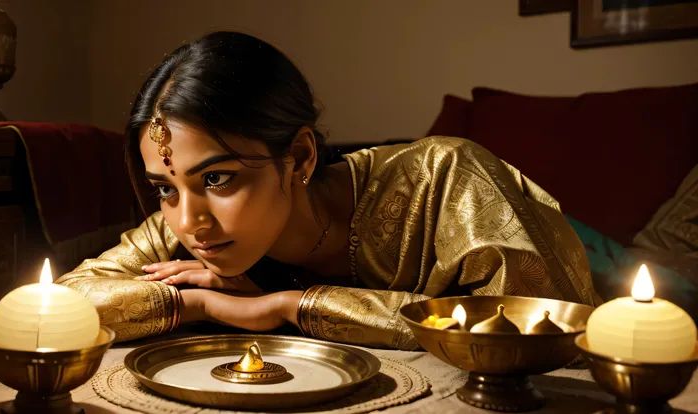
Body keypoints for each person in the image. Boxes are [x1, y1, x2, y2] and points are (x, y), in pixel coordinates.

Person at [57, 31, 601, 350]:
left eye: (217, 179)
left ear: (298, 157)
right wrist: (201, 302)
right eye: (165, 189)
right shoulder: (189, 221)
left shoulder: (447, 177)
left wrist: (287, 305)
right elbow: (64, 302)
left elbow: (543, 330)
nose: (189, 223)